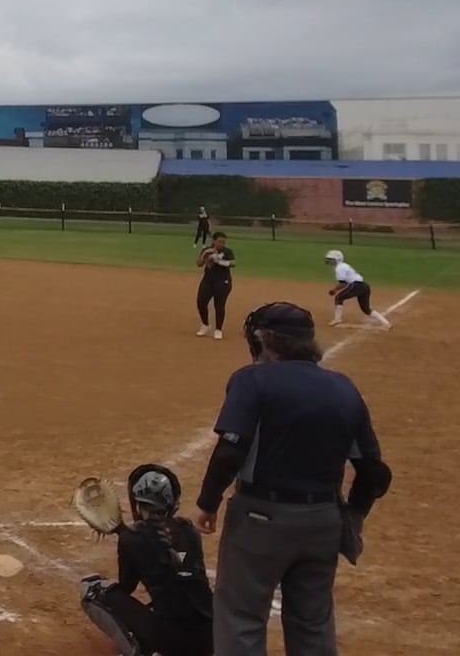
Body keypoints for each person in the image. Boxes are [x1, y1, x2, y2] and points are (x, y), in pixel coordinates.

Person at [193, 302, 392, 656]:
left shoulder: (252, 380)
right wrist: (354, 515)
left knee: (240, 618)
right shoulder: (343, 388)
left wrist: (208, 503)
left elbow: (230, 452)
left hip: (260, 518)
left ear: (264, 339)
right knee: (313, 624)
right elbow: (374, 471)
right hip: (324, 521)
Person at [79, 465, 214, 656]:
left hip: (173, 643)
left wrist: (121, 532)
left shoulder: (131, 538)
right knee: (185, 593)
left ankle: (140, 651)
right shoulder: (190, 530)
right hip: (210, 640)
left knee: (93, 589)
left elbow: (126, 587)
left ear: (138, 504)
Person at [324, 251, 390, 330]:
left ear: (337, 259)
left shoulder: (339, 268)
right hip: (364, 286)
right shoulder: (344, 266)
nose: (329, 261)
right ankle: (386, 323)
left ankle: (337, 319)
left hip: (357, 285)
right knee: (366, 309)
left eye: (331, 259)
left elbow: (343, 283)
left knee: (339, 298)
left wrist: (334, 290)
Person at [195, 233, 236, 341]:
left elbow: (233, 263)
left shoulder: (227, 251)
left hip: (223, 281)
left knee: (219, 305)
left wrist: (219, 261)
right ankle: (205, 324)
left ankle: (218, 329)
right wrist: (205, 254)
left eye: (223, 242)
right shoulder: (207, 250)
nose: (222, 244)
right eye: (219, 241)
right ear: (214, 241)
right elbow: (199, 263)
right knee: (201, 302)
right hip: (208, 280)